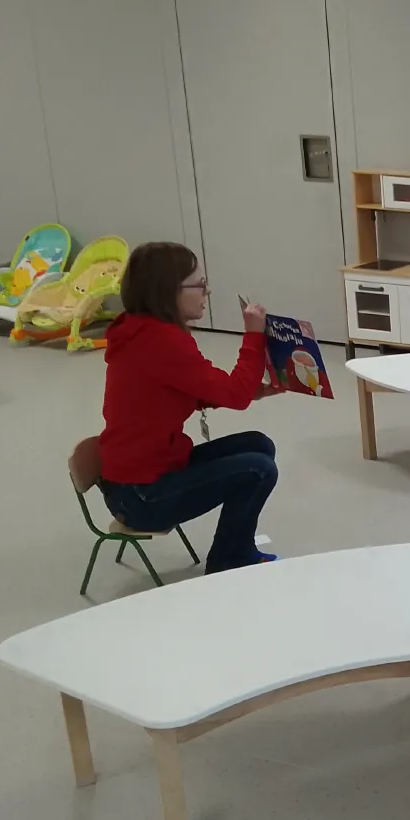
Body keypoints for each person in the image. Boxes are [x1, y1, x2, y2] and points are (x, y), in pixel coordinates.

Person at [98, 241, 279, 574]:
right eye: (200, 284)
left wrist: (245, 390)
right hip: (140, 494)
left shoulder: (142, 331)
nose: (206, 292)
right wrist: (254, 335)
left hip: (141, 475)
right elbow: (235, 395)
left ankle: (235, 549)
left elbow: (181, 389)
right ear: (169, 291)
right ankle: (228, 559)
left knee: (259, 445)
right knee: (259, 469)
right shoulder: (160, 340)